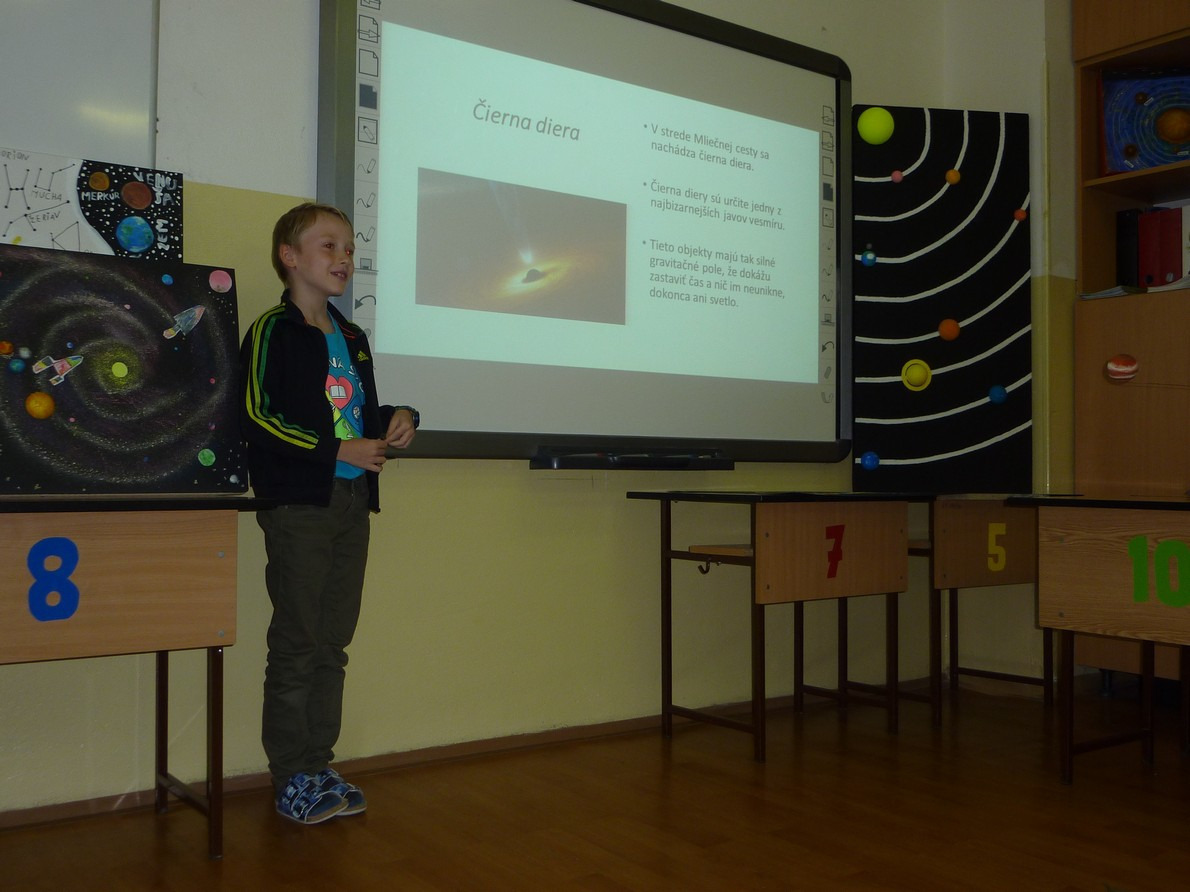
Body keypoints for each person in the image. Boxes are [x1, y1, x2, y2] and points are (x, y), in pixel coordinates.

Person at [239, 202, 418, 824]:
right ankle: (291, 774)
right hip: (300, 505)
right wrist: (335, 450)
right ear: (290, 257)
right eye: (328, 245)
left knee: (333, 643)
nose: (344, 257)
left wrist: (398, 417)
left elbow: (352, 413)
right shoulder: (273, 330)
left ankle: (317, 764)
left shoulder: (352, 338)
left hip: (351, 502)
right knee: (298, 642)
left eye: (349, 248)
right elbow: (256, 417)